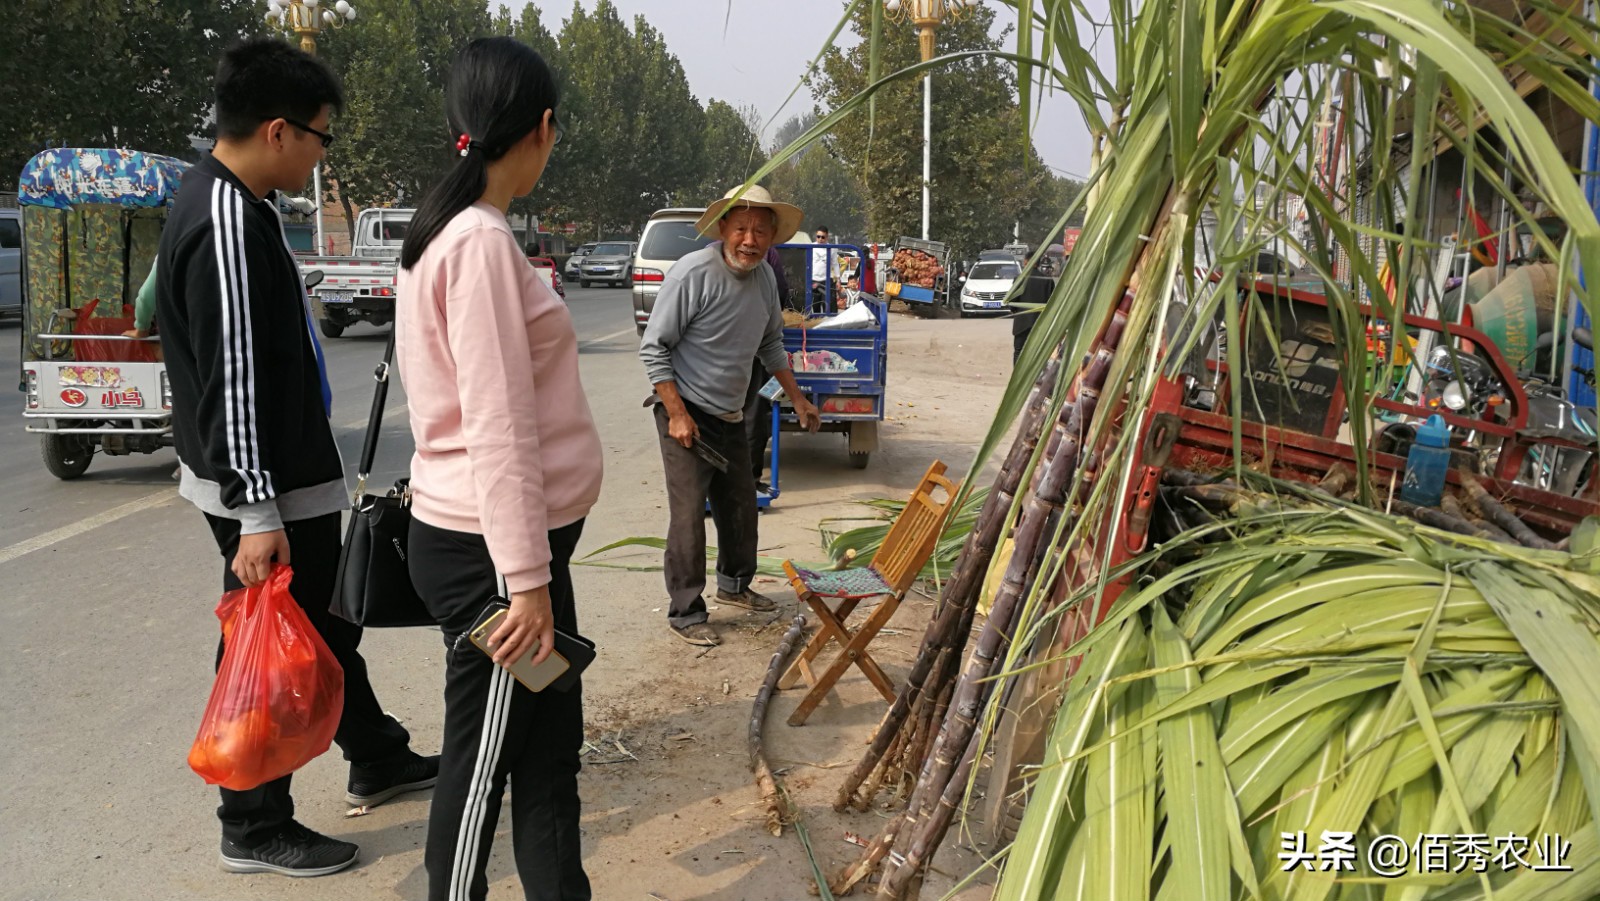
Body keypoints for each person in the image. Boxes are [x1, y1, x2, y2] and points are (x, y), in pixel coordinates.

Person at [155, 37, 436, 878]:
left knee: (326, 619)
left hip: (278, 476)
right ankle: (251, 819)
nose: (321, 152)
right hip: (261, 487)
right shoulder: (224, 219)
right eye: (320, 135)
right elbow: (232, 376)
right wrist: (255, 513)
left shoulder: (233, 203)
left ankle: (377, 750)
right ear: (278, 131)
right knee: (268, 640)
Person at [395, 37, 600, 901]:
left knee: (550, 746)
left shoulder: (458, 229)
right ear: (543, 129)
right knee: (481, 766)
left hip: (514, 552)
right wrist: (526, 583)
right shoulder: (476, 242)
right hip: (495, 557)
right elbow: (499, 427)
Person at [640, 185, 822, 647]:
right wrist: (678, 415)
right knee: (687, 516)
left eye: (761, 230)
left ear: (772, 238)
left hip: (730, 412)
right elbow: (654, 348)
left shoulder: (763, 280)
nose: (750, 239)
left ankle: (736, 585)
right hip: (684, 414)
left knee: (741, 504)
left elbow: (771, 345)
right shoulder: (691, 275)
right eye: (741, 228)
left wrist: (797, 398)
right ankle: (685, 611)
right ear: (722, 228)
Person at [744, 245, 791, 492]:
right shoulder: (767, 256)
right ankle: (747, 481)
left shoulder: (705, 256)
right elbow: (780, 294)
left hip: (741, 351)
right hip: (751, 348)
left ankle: (720, 481)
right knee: (752, 414)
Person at [810, 225, 831, 312]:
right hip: (814, 280)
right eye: (818, 237)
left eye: (823, 237)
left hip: (826, 281)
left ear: (827, 237)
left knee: (827, 306)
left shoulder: (831, 248)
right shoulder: (810, 247)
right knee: (815, 306)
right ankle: (816, 322)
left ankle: (826, 324)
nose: (820, 239)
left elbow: (835, 264)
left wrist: (838, 280)